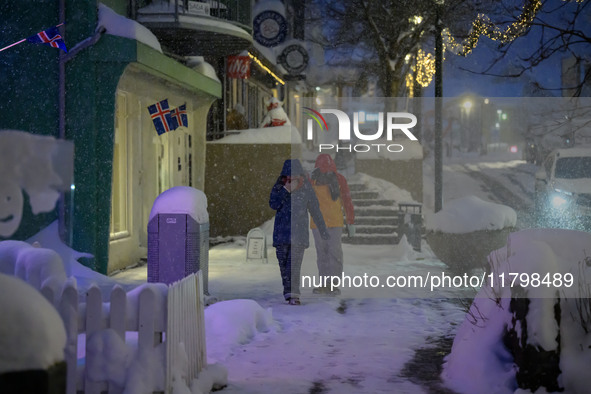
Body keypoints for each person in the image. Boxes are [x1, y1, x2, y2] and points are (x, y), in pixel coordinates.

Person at [269, 159, 329, 305]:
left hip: (299, 235)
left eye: (295, 176)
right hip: (281, 235)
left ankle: (294, 295)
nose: (293, 179)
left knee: (294, 266)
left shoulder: (306, 189)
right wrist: (286, 190)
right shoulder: (279, 186)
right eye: (289, 176)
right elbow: (273, 204)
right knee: (284, 267)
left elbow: (315, 210)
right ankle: (288, 292)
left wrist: (323, 229)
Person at [309, 154, 355, 296]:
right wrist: (350, 221)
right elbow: (347, 201)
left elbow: (347, 201)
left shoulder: (334, 179)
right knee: (330, 253)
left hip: (325, 223)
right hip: (327, 223)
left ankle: (329, 284)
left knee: (326, 253)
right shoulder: (314, 179)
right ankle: (328, 284)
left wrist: (350, 220)